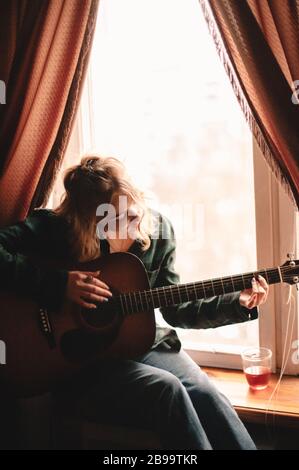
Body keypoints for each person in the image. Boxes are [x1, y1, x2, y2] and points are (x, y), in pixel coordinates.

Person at [0, 156, 269, 450]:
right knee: (168, 390)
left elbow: (176, 310)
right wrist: (58, 285)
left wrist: (238, 303)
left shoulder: (157, 232)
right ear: (88, 220)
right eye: (117, 218)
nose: (134, 221)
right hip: (80, 361)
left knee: (207, 394)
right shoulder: (55, 229)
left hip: (143, 346)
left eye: (133, 209)